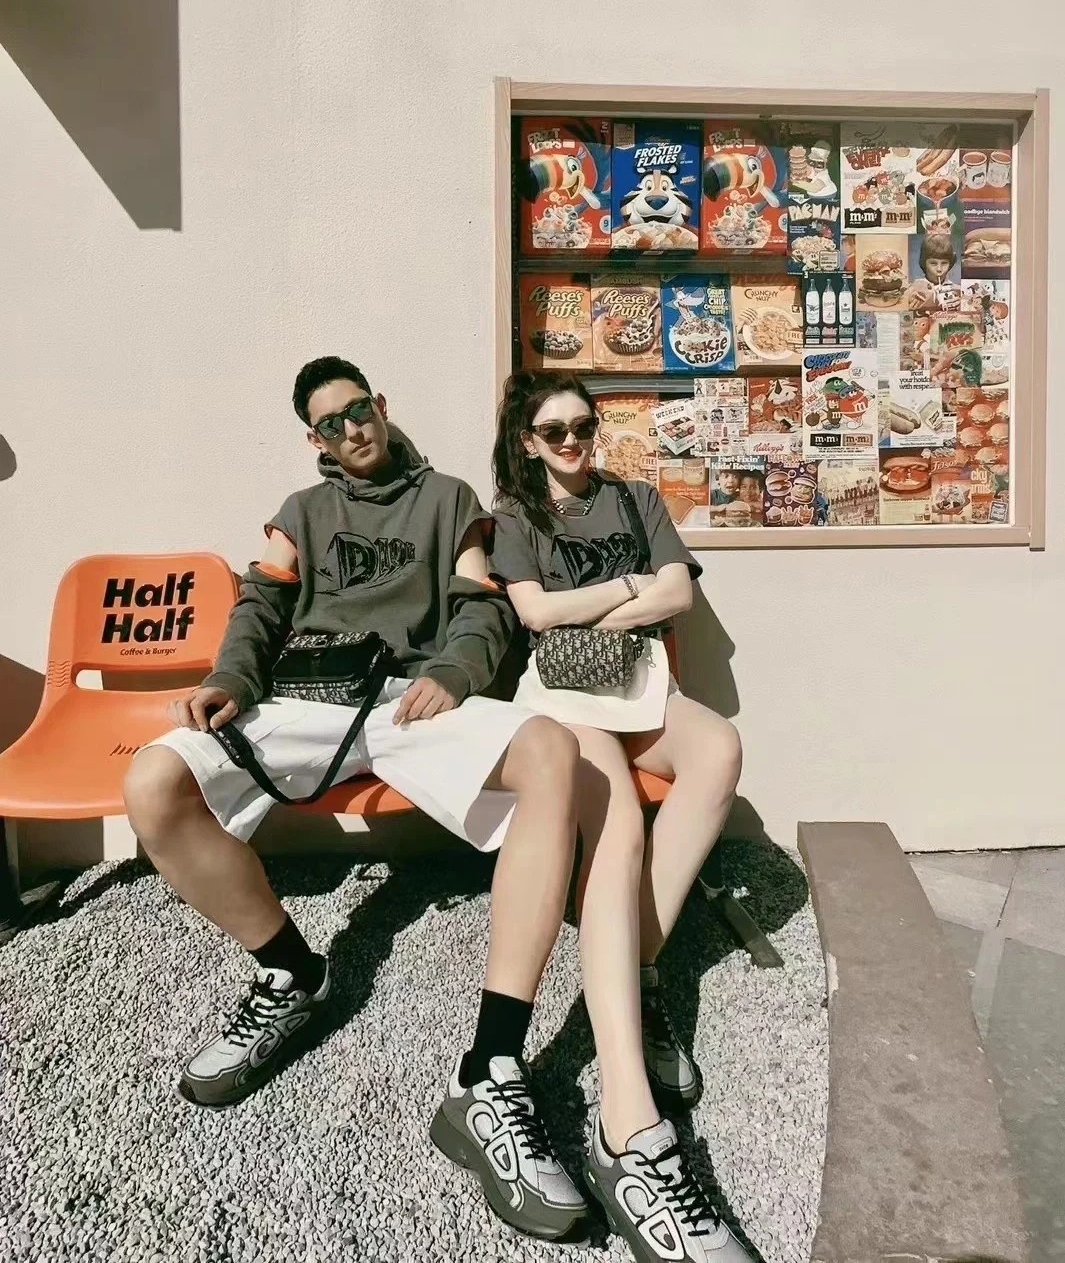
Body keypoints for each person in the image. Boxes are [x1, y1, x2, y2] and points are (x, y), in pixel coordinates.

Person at [123, 357, 592, 1243]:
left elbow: (482, 604)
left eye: (359, 410)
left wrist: (455, 671)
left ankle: (491, 1067)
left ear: (380, 405)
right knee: (152, 781)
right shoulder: (301, 512)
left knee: (549, 749)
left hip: (409, 697)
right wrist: (231, 679)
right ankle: (292, 974)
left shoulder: (448, 499)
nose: (353, 430)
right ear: (315, 438)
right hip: (306, 697)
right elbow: (261, 608)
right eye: (331, 424)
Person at [489, 370, 753, 1263]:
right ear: (528, 442)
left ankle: (630, 962)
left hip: (640, 687)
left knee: (718, 750)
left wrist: (600, 603)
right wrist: (623, 588)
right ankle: (627, 1073)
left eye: (583, 426)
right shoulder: (517, 516)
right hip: (567, 702)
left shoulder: (635, 497)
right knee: (622, 826)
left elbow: (678, 595)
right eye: (554, 432)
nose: (573, 442)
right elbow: (534, 613)